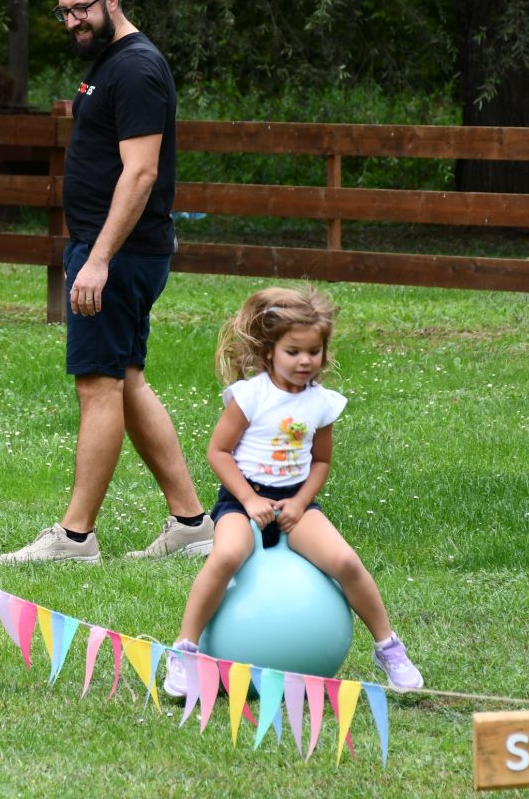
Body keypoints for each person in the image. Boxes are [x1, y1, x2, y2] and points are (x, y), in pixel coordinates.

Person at [0, 0, 212, 564]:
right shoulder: (107, 65)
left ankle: (75, 537)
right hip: (110, 252)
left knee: (97, 387)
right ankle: (192, 523)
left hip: (116, 255)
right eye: (65, 11)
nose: (73, 21)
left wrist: (97, 259)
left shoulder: (138, 68)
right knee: (125, 380)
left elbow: (141, 172)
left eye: (82, 8)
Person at [162, 285, 423, 697]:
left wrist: (300, 504)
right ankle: (185, 651)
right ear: (270, 352)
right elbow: (218, 452)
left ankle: (388, 648)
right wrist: (248, 500)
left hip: (296, 502)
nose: (305, 361)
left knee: (346, 561)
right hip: (241, 500)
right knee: (227, 554)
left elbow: (320, 462)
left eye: (313, 351)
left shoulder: (323, 404)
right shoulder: (250, 397)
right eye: (293, 351)